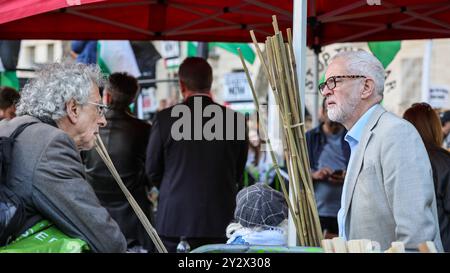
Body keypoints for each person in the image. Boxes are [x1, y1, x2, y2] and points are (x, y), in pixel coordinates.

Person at [320, 50, 443, 251]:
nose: (326, 91)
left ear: (366, 87)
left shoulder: (396, 134)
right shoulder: (360, 137)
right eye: (324, 85)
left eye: (334, 81)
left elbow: (416, 236)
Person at [0, 62, 126, 252]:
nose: (103, 120)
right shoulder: (52, 144)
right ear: (73, 109)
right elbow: (107, 241)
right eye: (99, 108)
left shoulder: (10, 127)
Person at [145, 57, 248, 252]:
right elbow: (238, 171)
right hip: (221, 221)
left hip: (174, 221)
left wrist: (172, 186)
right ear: (210, 83)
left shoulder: (165, 119)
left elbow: (152, 170)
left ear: (181, 85)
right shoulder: (236, 121)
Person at [82, 72, 153, 252]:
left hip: (95, 208)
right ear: (133, 98)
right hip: (134, 211)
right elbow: (152, 170)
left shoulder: (88, 127)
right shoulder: (143, 129)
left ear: (107, 95)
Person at [403, 103, 450, 252]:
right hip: (440, 244)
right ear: (434, 127)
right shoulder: (444, 161)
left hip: (404, 244)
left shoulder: (399, 160)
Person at [306, 98, 350, 238]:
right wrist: (315, 174)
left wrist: (347, 175)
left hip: (345, 210)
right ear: (322, 112)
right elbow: (296, 170)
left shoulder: (351, 136)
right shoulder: (311, 138)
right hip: (317, 211)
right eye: (329, 109)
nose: (332, 114)